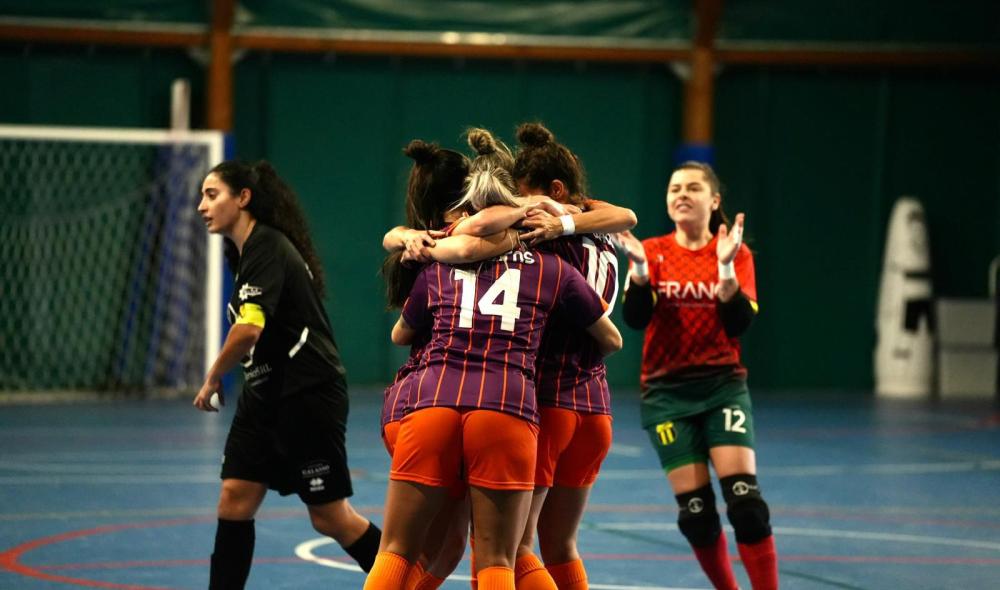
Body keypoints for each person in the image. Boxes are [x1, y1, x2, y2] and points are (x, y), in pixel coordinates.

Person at [364, 138, 623, 590]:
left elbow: (401, 331)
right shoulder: (557, 258)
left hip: (430, 400)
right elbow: (612, 336)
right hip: (526, 402)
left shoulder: (439, 252)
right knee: (504, 553)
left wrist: (410, 239)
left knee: (406, 549)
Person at [194, 160, 380, 588]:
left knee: (330, 518)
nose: (202, 206)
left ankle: (410, 581)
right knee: (234, 499)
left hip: (306, 394)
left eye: (212, 194)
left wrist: (213, 376)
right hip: (263, 396)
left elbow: (249, 328)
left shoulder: (267, 246)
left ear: (243, 198)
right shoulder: (244, 255)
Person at [617, 161, 778, 590]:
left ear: (714, 200)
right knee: (697, 515)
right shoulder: (651, 251)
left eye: (692, 188)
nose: (682, 195)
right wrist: (639, 272)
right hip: (666, 394)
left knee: (746, 506)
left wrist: (725, 270)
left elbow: (738, 323)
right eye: (675, 189)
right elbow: (635, 319)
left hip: (722, 386)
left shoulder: (735, 253)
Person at [508, 121, 636, 590]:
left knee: (512, 547)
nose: (523, 209)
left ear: (555, 190)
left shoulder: (549, 234)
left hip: (550, 399)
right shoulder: (600, 229)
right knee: (560, 544)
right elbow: (625, 215)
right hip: (595, 407)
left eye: (526, 198)